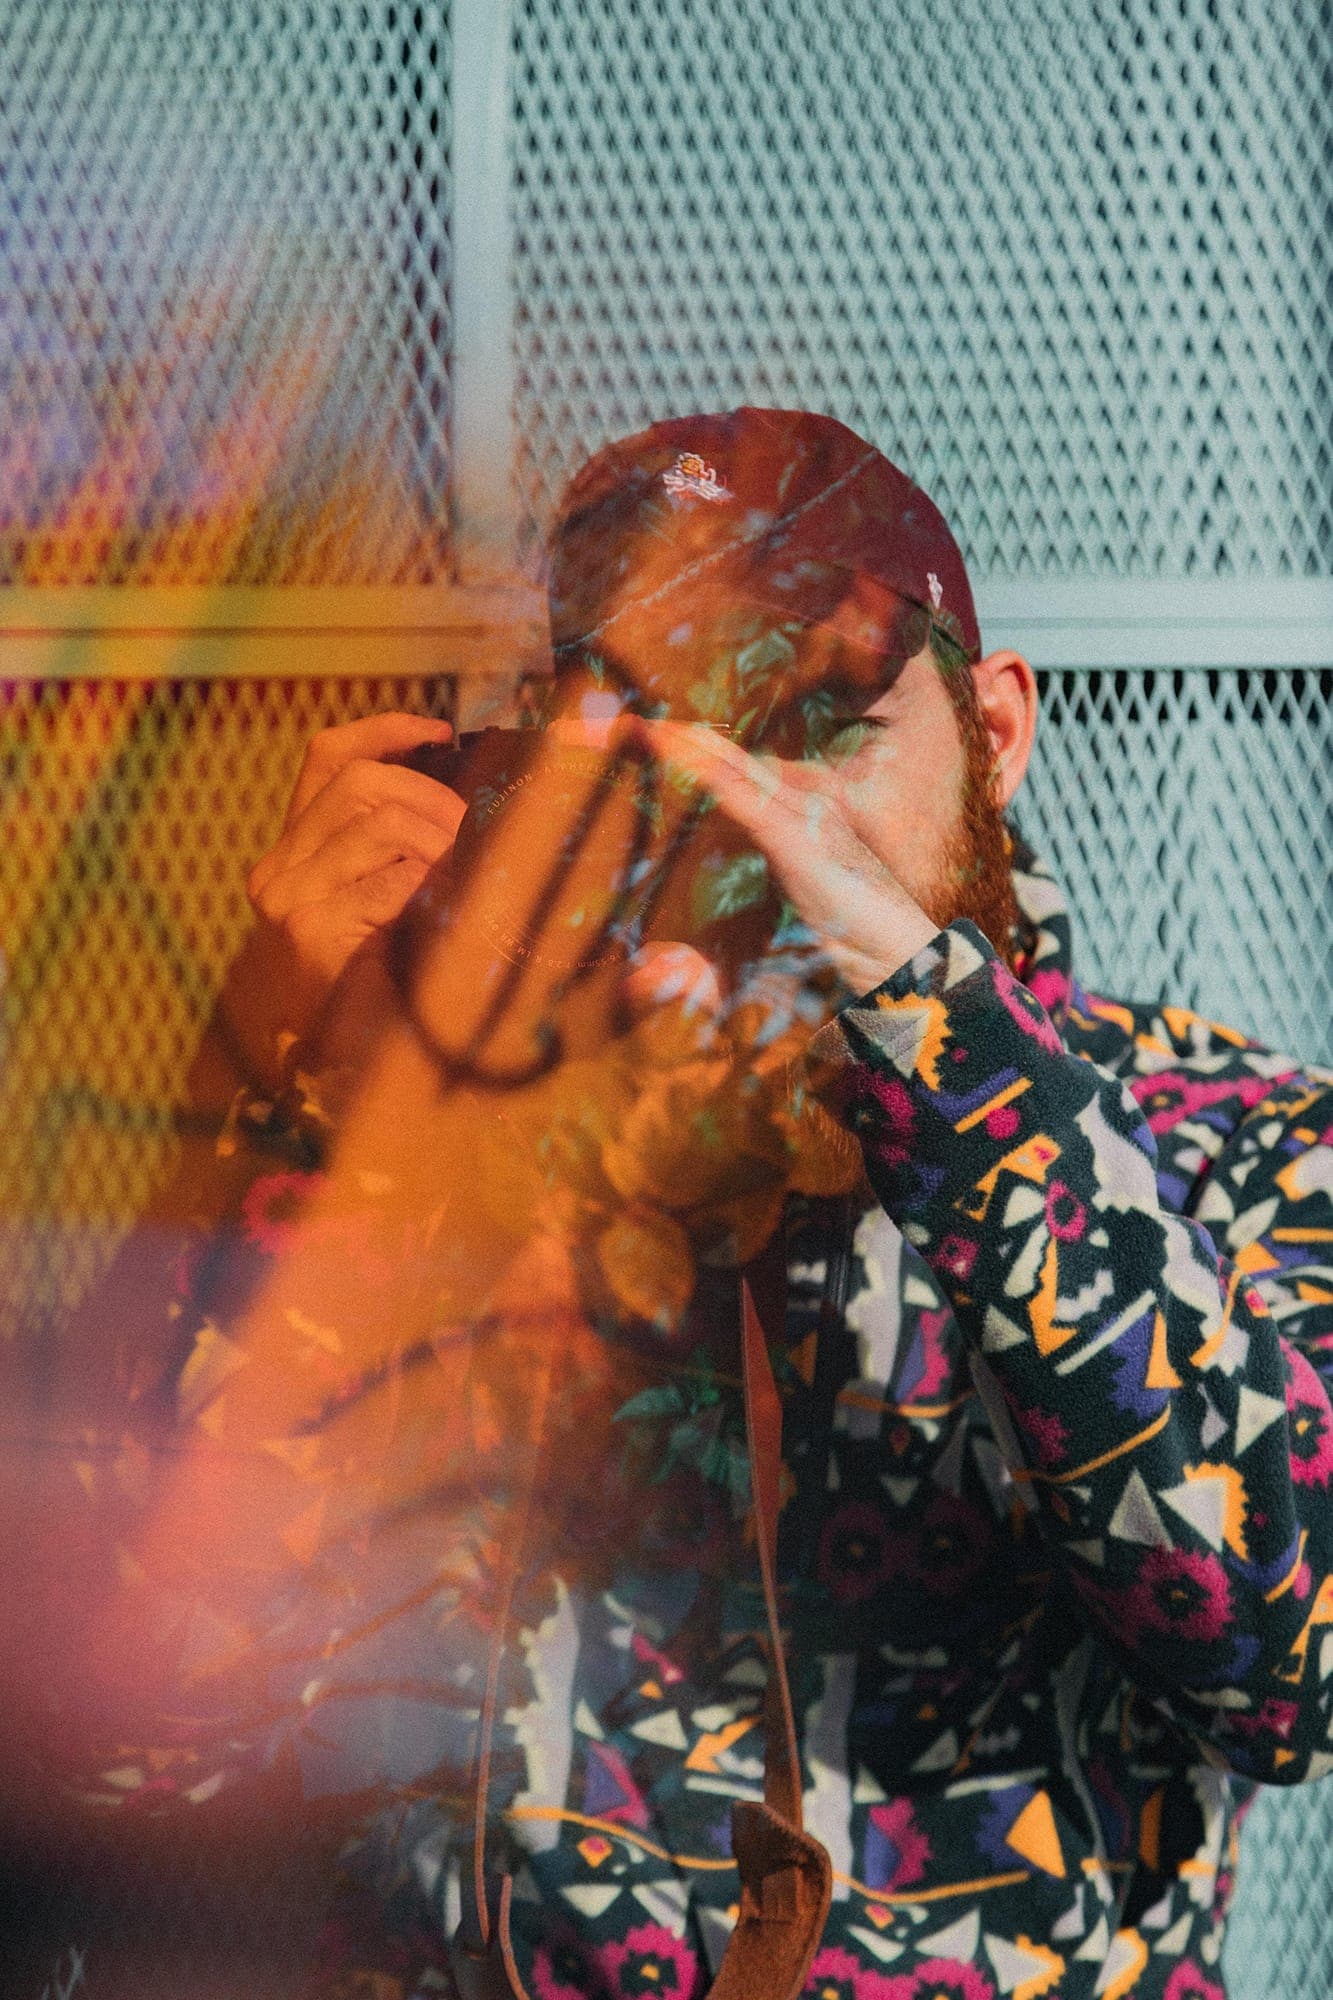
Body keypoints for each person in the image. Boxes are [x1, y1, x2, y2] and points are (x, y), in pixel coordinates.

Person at [8, 407, 1333, 2000]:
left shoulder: (1219, 1138)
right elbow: (103, 1759)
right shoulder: (440, 1153)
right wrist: (282, 1097)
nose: (752, 823)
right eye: (661, 743)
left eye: (819, 727)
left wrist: (938, 1046)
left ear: (993, 734)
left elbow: (1289, 1671)